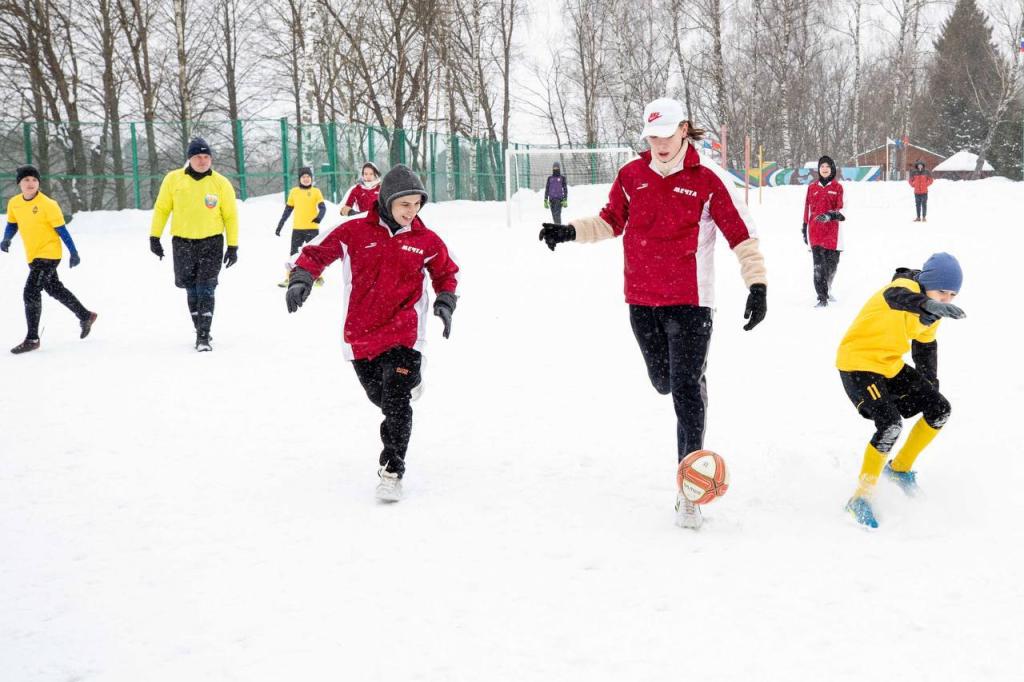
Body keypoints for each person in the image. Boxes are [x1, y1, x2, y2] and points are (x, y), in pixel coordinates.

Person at [537, 97, 767, 530]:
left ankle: (690, 487)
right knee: (664, 382)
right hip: (642, 301)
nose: (660, 144)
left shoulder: (710, 180)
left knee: (684, 388)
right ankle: (691, 381)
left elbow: (742, 235)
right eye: (652, 136)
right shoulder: (631, 176)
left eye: (667, 135)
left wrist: (757, 284)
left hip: (692, 302)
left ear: (684, 129)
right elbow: (610, 222)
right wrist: (569, 231)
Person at [285, 164, 460, 502]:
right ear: (386, 200)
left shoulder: (426, 239)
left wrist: (446, 301)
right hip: (361, 333)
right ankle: (407, 385)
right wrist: (302, 278)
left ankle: (392, 468)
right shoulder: (354, 231)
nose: (411, 212)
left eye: (417, 204)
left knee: (396, 401)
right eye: (404, 205)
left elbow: (446, 271)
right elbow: (316, 252)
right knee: (380, 397)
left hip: (405, 333)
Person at [837, 253, 966, 529]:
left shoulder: (933, 313)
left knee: (940, 409)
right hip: (858, 363)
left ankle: (900, 469)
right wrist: (929, 304)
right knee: (890, 425)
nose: (946, 299)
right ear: (928, 282)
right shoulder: (903, 289)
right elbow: (899, 298)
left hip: (888, 365)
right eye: (942, 291)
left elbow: (925, 348)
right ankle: (860, 497)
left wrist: (930, 387)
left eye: (952, 294)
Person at [150, 137, 239, 352]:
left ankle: (203, 336)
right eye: (198, 156)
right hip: (183, 243)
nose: (203, 160)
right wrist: (154, 237)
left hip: (212, 242)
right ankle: (199, 327)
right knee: (191, 288)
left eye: (206, 156)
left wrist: (233, 245)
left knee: (206, 287)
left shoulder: (220, 183)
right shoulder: (173, 180)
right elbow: (162, 209)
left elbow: (230, 216)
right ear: (189, 158)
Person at [1, 164, 97, 354]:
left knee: (30, 292)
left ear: (39, 183)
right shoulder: (14, 203)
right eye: (26, 180)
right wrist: (6, 239)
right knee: (54, 288)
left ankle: (32, 338)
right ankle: (85, 315)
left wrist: (74, 252)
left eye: (34, 180)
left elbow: (62, 230)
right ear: (19, 183)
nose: (31, 183)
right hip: (33, 255)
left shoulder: (48, 204)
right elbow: (12, 224)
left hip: (50, 254)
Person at [802, 155, 846, 307]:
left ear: (832, 169)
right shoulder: (812, 187)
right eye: (822, 167)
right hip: (815, 232)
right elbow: (807, 208)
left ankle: (827, 287)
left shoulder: (838, 187)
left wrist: (830, 214)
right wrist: (804, 226)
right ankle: (822, 297)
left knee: (832, 265)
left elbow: (841, 208)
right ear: (818, 170)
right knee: (818, 266)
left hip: (833, 233)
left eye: (827, 166)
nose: (825, 169)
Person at [275, 166, 326, 287]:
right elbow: (287, 210)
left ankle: (318, 277)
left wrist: (319, 217)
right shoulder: (294, 192)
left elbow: (323, 207)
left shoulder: (316, 192)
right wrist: (280, 225)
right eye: (303, 177)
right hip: (298, 228)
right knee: (293, 254)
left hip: (312, 228)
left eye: (308, 176)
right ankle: (289, 278)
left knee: (314, 254)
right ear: (299, 179)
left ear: (311, 178)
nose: (306, 179)